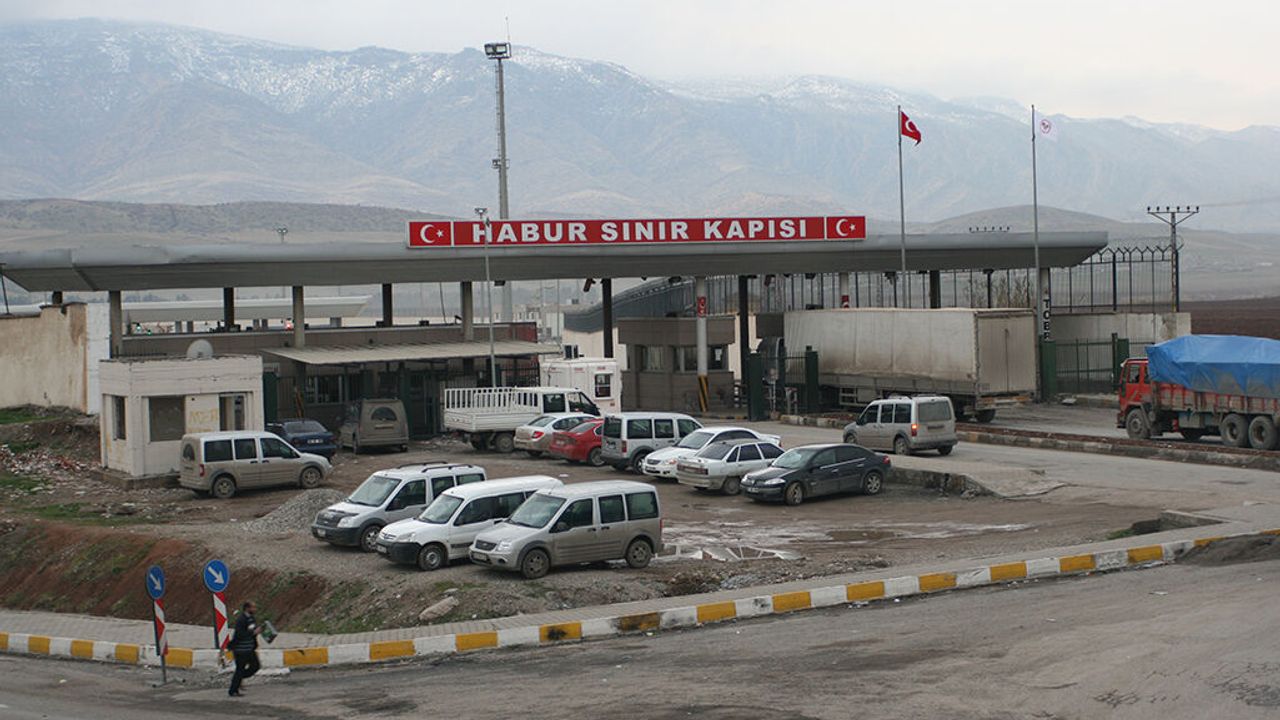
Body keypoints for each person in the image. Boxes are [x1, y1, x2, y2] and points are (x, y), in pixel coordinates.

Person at [228, 601, 263, 697]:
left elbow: (253, 630)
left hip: (250, 648)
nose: (255, 609)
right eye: (253, 607)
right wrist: (253, 632)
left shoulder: (251, 618)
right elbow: (239, 634)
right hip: (240, 649)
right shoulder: (241, 619)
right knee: (240, 669)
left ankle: (238, 679)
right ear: (247, 608)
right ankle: (233, 690)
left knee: (255, 666)